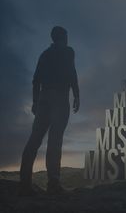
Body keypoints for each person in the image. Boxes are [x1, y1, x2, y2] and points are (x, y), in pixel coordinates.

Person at [19, 26, 80, 196]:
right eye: (66, 36)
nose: (68, 39)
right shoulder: (69, 51)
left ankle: (24, 183)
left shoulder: (44, 55)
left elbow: (35, 80)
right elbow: (72, 73)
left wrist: (35, 101)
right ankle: (53, 184)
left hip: (43, 98)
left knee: (35, 139)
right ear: (63, 37)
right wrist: (76, 95)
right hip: (60, 97)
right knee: (55, 140)